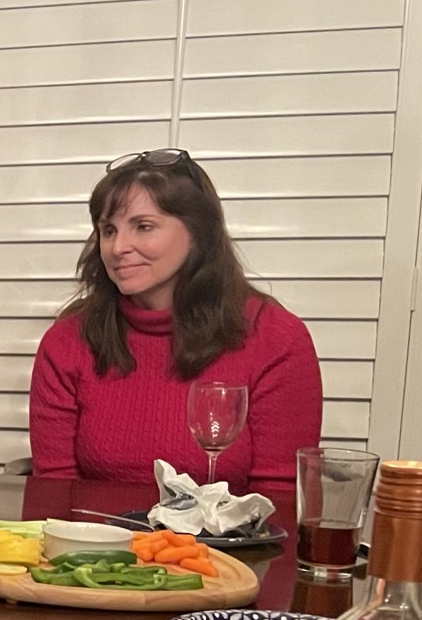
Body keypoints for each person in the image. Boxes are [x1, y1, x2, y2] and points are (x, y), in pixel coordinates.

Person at [29, 149, 322, 486]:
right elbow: (55, 491)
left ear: (197, 233)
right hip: (98, 539)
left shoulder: (276, 339)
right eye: (108, 230)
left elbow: (279, 499)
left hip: (224, 540)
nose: (118, 247)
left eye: (143, 226)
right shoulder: (68, 341)